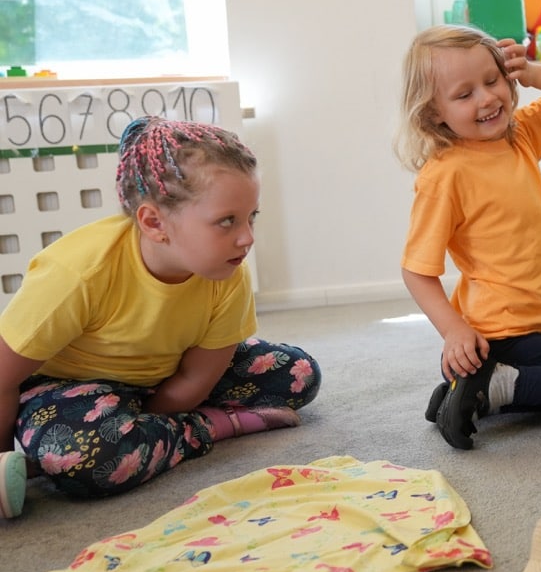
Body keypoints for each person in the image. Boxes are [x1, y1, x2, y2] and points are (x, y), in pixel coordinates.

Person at [0, 116, 320, 517]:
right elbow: (3, 376)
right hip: (67, 389)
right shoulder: (79, 272)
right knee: (81, 455)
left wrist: (142, 421)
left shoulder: (228, 273)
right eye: (227, 221)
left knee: (299, 374)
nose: (247, 238)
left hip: (164, 379)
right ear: (154, 223)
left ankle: (162, 431)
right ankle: (210, 427)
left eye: (251, 217)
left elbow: (195, 378)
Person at [397, 24, 541, 450]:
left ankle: (479, 391)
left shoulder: (520, 135)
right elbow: (417, 271)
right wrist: (454, 332)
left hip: (531, 332)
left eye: (492, 81)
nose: (488, 98)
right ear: (434, 112)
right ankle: (496, 387)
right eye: (464, 94)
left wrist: (530, 70)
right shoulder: (446, 174)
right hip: (496, 335)